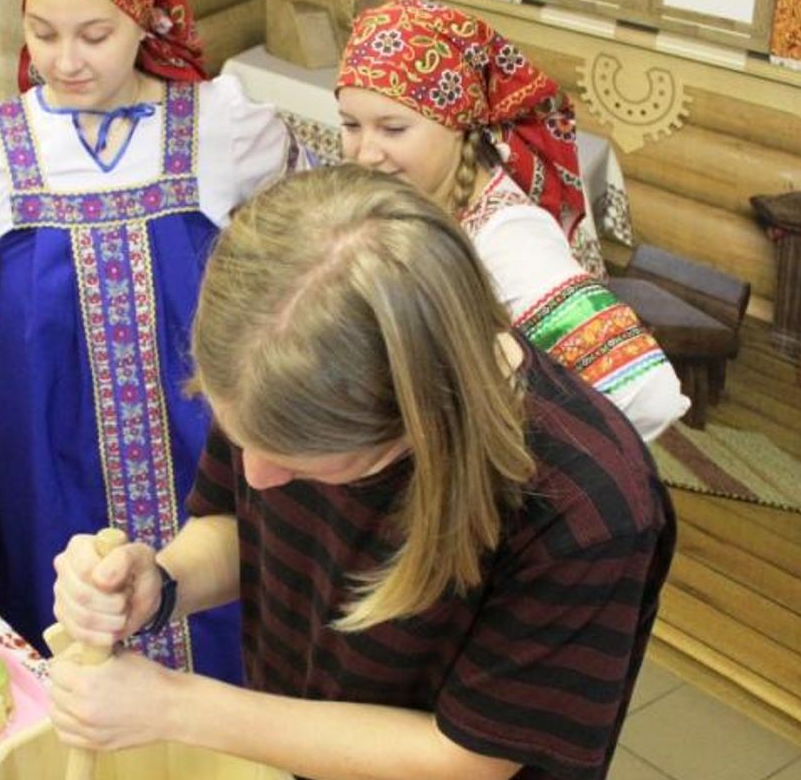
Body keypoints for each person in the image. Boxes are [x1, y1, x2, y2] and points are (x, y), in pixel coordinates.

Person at [49, 165, 675, 780]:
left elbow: (463, 758)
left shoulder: (591, 511)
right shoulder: (274, 371)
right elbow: (242, 530)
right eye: (243, 440)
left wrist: (175, 706)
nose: (258, 477)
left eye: (298, 463)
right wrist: (164, 584)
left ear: (415, 417)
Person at [0, 0, 299, 680]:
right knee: (72, 655)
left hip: (210, 466)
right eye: (43, 32)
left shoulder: (221, 124)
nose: (65, 59)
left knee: (225, 637)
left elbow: (308, 258)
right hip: (46, 468)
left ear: (145, 18)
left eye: (94, 34)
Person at [336, 0, 687, 441]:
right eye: (350, 125)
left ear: (459, 123)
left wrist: (502, 453)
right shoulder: (422, 199)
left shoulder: (509, 239)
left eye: (393, 129)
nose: (364, 154)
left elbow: (647, 395)